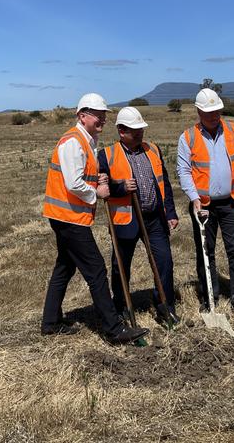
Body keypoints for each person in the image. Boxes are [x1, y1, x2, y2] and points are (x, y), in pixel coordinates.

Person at [41, 93, 149, 344]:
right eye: (97, 115)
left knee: (64, 268)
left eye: (104, 115)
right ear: (82, 116)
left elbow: (84, 174)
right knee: (97, 271)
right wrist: (97, 191)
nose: (102, 119)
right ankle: (114, 330)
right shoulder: (73, 142)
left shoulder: (88, 140)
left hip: (68, 216)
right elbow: (73, 182)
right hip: (68, 218)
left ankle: (50, 322)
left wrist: (98, 177)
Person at [177, 88, 234, 322]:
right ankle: (209, 299)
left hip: (232, 202)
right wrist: (194, 199)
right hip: (202, 206)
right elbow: (183, 171)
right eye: (208, 112)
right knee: (205, 253)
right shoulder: (188, 137)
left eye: (217, 111)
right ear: (198, 111)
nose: (214, 116)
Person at [97, 107, 180, 324]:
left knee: (164, 262)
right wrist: (120, 187)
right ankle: (123, 306)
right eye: (135, 130)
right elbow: (100, 188)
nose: (140, 133)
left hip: (155, 218)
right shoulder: (106, 155)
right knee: (121, 267)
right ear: (121, 131)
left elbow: (165, 183)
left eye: (141, 129)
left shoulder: (153, 149)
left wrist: (170, 212)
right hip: (125, 220)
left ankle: (165, 306)